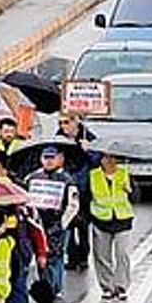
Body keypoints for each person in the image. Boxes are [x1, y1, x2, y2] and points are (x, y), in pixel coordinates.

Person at [26, 146, 79, 297]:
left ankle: (56, 287)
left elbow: (73, 205)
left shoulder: (67, 180)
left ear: (60, 159)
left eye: (52, 158)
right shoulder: (32, 178)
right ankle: (46, 285)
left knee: (56, 256)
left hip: (58, 224)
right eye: (46, 158)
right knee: (41, 256)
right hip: (38, 224)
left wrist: (62, 224)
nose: (48, 161)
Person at [88, 152, 134, 301]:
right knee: (102, 256)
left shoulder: (124, 173)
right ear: (101, 160)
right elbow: (85, 196)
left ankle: (121, 286)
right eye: (106, 158)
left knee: (122, 254)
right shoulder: (93, 175)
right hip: (101, 219)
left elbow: (136, 196)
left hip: (122, 219)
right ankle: (107, 286)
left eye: (113, 158)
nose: (110, 161)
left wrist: (130, 190)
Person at [56, 113, 97, 271]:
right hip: (66, 186)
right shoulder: (59, 137)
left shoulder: (88, 137)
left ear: (76, 122)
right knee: (67, 223)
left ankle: (83, 257)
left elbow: (97, 161)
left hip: (84, 188)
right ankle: (72, 257)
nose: (63, 126)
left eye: (66, 122)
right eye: (60, 123)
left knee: (83, 226)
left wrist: (88, 150)